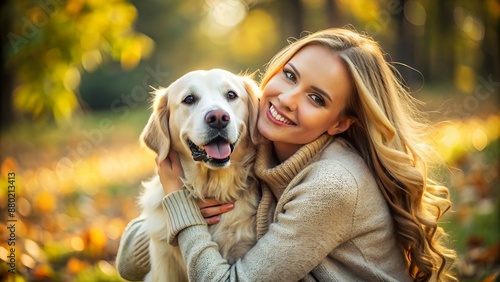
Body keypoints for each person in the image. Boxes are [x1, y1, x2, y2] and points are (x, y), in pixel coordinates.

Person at [116, 27, 456, 281]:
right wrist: (175, 204)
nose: (288, 99)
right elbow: (128, 265)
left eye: (317, 98)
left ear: (340, 123)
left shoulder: (331, 185)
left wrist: (180, 206)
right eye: (290, 76)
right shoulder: (262, 152)